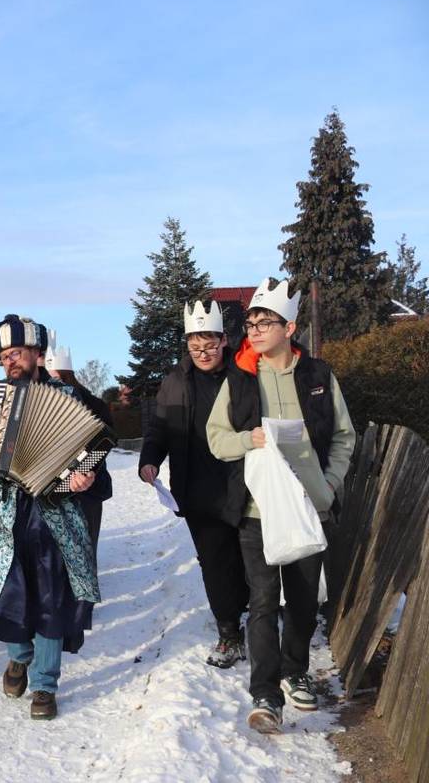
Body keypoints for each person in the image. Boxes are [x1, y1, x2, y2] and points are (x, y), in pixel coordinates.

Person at [206, 278, 355, 734]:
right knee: (264, 601)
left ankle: (295, 671)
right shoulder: (239, 378)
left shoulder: (318, 375)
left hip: (311, 507)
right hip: (257, 511)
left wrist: (329, 484)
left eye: (263, 321)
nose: (253, 329)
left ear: (289, 327)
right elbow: (215, 439)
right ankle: (266, 695)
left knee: (305, 600)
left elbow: (344, 437)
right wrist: (246, 439)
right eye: (249, 322)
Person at [0, 315, 101, 720]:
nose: (10, 362)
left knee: (51, 596)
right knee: (3, 590)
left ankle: (46, 685)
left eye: (17, 353)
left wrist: (85, 477)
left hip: (55, 512)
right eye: (4, 356)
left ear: (37, 354)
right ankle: (19, 654)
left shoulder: (67, 395)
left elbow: (93, 450)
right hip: (1, 509)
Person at [139, 300, 249, 669]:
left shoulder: (244, 373)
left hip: (245, 482)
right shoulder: (175, 382)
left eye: (210, 345)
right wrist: (150, 460)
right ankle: (230, 631)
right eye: (194, 347)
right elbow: (159, 428)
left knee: (251, 560)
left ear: (223, 340)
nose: (203, 353)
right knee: (215, 563)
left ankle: (257, 615)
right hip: (198, 488)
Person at [44, 331, 114, 560]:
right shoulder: (41, 401)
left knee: (84, 551)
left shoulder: (93, 404)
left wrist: (84, 470)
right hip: (51, 493)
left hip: (87, 490)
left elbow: (104, 443)